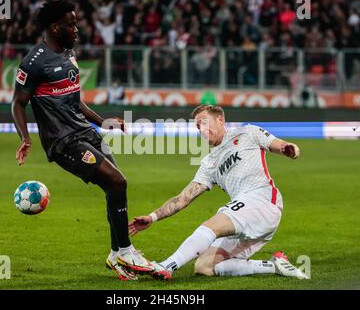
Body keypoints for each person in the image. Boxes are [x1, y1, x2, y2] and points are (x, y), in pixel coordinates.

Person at [11, 0, 154, 281]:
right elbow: (17, 103)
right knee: (117, 181)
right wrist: (25, 137)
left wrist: (104, 122)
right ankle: (125, 250)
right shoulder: (34, 62)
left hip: (85, 133)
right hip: (62, 142)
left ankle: (117, 255)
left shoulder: (68, 53)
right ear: (55, 27)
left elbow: (75, 101)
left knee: (115, 186)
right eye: (71, 24)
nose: (77, 29)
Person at [129, 105, 307, 280]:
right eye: (197, 126)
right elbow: (183, 199)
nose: (201, 129)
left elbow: (280, 145)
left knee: (211, 226)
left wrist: (289, 149)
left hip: (262, 199)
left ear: (220, 120)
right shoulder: (209, 163)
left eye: (204, 123)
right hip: (246, 214)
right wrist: (152, 217)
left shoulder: (248, 133)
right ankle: (273, 265)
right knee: (204, 266)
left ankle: (167, 265)